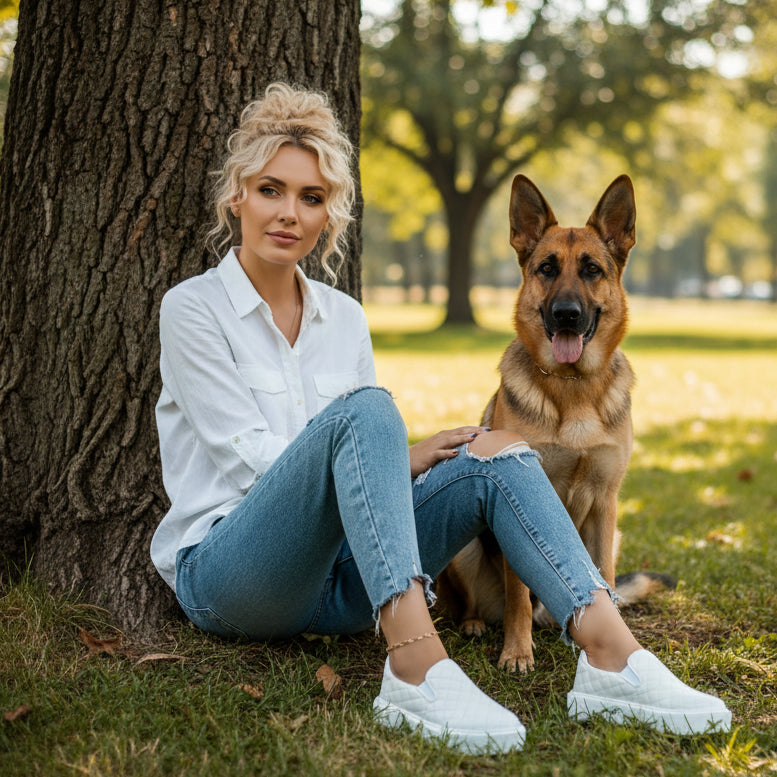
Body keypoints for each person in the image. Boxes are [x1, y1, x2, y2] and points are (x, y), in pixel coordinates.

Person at [151, 82, 731, 755]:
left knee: (500, 448)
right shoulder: (193, 309)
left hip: (344, 582)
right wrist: (397, 457)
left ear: (328, 213)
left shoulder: (344, 319)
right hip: (236, 576)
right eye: (269, 190)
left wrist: (435, 462)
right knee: (369, 410)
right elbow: (248, 460)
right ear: (236, 196)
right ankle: (414, 665)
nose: (288, 213)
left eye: (311, 197)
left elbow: (367, 485)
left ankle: (609, 655)